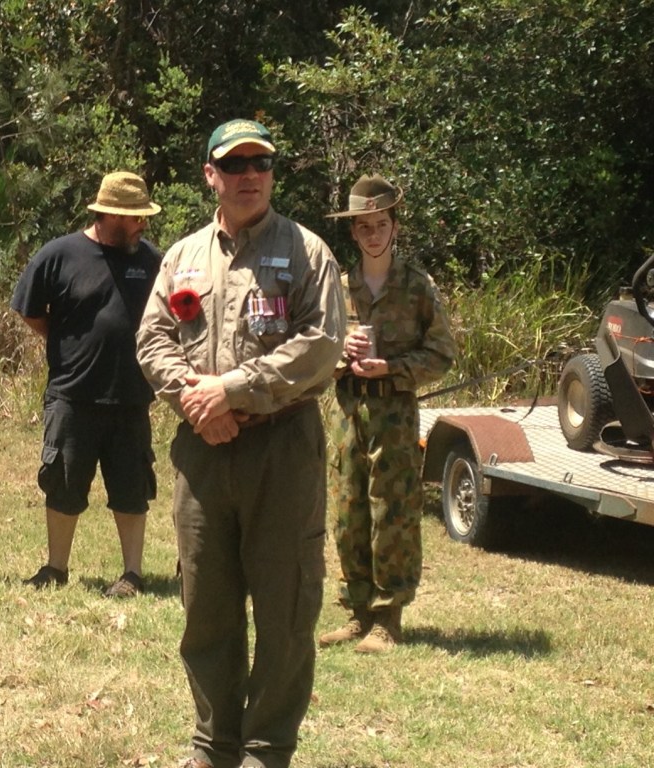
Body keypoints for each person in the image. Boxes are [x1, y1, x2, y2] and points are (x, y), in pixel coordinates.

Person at [136, 119, 345, 768]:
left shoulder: (307, 252)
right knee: (208, 608)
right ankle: (213, 745)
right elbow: (152, 339)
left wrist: (234, 389)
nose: (250, 175)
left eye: (261, 164)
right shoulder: (182, 257)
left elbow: (321, 346)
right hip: (202, 454)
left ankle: (265, 750)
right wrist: (198, 402)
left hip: (281, 449)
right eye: (235, 165)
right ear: (211, 176)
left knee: (284, 611)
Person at [318, 174, 456, 654]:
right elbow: (312, 349)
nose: (373, 234)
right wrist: (340, 351)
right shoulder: (336, 286)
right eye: (363, 227)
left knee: (391, 510)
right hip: (347, 411)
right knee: (348, 509)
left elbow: (441, 353)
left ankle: (387, 617)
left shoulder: (416, 286)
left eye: (381, 225)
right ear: (352, 233)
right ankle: (357, 613)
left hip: (394, 413)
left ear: (394, 227)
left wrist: (393, 368)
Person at [11, 172, 162, 597]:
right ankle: (55, 568)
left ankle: (132, 573)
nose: (142, 225)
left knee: (132, 487)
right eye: (135, 218)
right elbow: (29, 310)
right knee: (62, 480)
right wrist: (67, 341)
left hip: (131, 396)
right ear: (111, 214)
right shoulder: (58, 255)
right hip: (71, 395)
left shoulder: (149, 259)